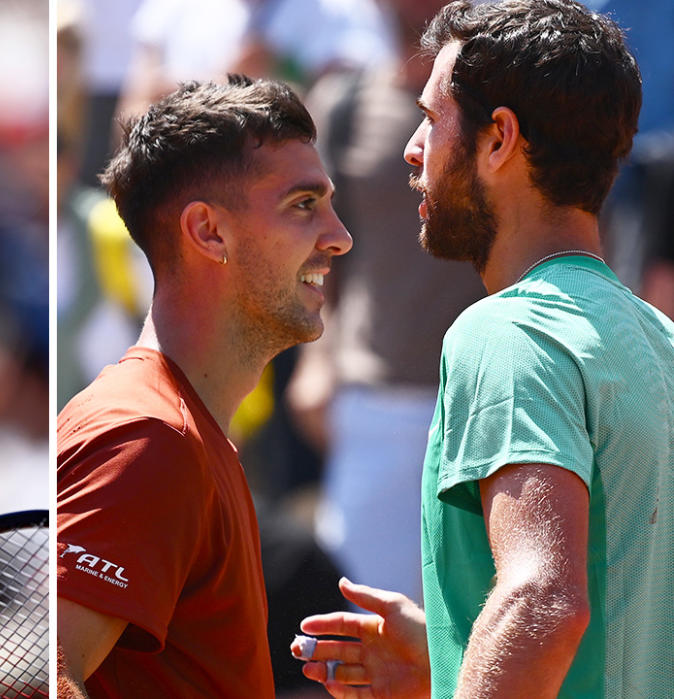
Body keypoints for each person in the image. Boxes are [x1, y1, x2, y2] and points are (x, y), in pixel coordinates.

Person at [292, 1, 674, 697]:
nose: (413, 147)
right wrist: (450, 657)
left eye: (433, 118)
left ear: (499, 139)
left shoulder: (505, 333)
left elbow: (542, 602)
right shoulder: (660, 341)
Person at [57, 74, 352, 697]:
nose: (339, 236)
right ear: (208, 232)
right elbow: (49, 675)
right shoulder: (143, 438)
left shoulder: (181, 432)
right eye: (304, 204)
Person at [289, 0, 482, 607]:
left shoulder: (507, 103)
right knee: (362, 626)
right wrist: (316, 364)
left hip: (491, 399)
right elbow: (321, 248)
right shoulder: (344, 104)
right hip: (375, 404)